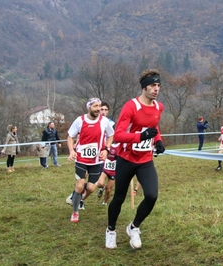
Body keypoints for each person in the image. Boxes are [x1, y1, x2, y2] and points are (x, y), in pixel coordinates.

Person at [106, 69, 165, 250]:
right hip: (126, 158)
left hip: (145, 159)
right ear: (144, 87)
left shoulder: (158, 107)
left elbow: (153, 126)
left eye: (158, 86)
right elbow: (118, 136)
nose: (156, 89)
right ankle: (111, 231)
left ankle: (134, 227)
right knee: (119, 198)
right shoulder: (131, 107)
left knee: (152, 195)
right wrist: (141, 137)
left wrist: (158, 140)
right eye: (153, 85)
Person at [67, 97, 114, 223]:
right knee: (80, 184)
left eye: (100, 106)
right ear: (89, 107)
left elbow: (111, 135)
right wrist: (72, 150)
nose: (99, 109)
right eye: (95, 106)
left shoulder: (104, 121)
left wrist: (106, 149)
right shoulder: (80, 120)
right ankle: (75, 212)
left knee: (92, 188)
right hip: (81, 159)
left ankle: (75, 193)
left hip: (97, 161)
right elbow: (70, 136)